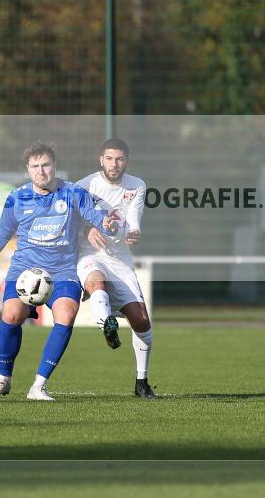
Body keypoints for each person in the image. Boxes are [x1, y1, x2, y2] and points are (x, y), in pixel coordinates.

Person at [0, 141, 117, 401]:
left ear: (55, 166)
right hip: (25, 270)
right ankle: (3, 380)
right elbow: (3, 233)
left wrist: (107, 224)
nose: (41, 171)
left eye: (45, 165)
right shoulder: (17, 197)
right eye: (35, 166)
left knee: (66, 315)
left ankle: (38, 386)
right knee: (11, 315)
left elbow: (94, 216)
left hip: (62, 270)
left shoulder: (73, 193)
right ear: (28, 169)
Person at [76, 139, 155, 399]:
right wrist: (87, 230)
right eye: (109, 158)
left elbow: (134, 220)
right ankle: (107, 325)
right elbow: (68, 219)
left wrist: (134, 233)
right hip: (90, 255)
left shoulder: (137, 185)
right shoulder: (83, 186)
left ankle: (141, 383)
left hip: (120, 259)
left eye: (119, 159)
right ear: (101, 159)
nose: (114, 164)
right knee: (97, 284)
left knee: (142, 322)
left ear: (126, 161)